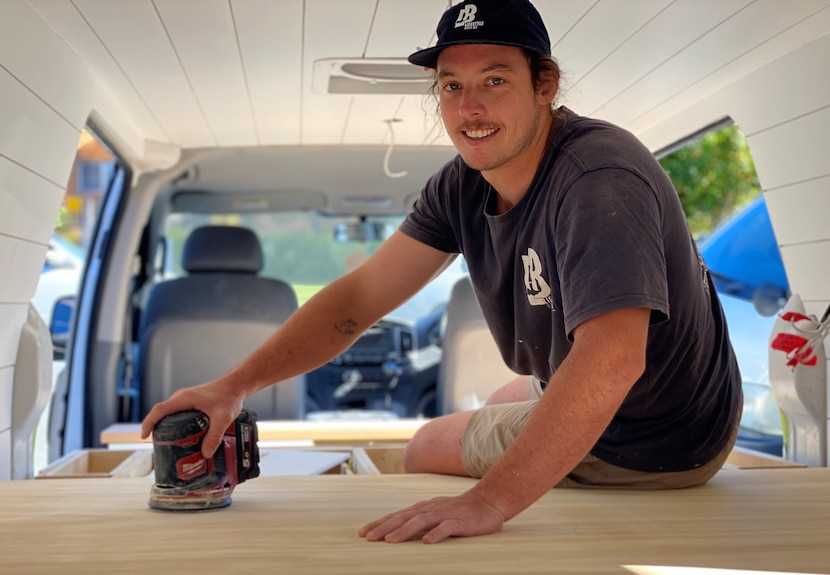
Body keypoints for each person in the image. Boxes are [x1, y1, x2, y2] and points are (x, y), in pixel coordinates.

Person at [141, 0, 742, 544]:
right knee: (507, 395)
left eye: (494, 81)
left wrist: (488, 502)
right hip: (659, 401)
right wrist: (234, 385)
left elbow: (612, 360)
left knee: (427, 441)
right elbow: (360, 297)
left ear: (546, 84)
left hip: (657, 441)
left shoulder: (597, 180)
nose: (469, 108)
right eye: (451, 85)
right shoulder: (461, 185)